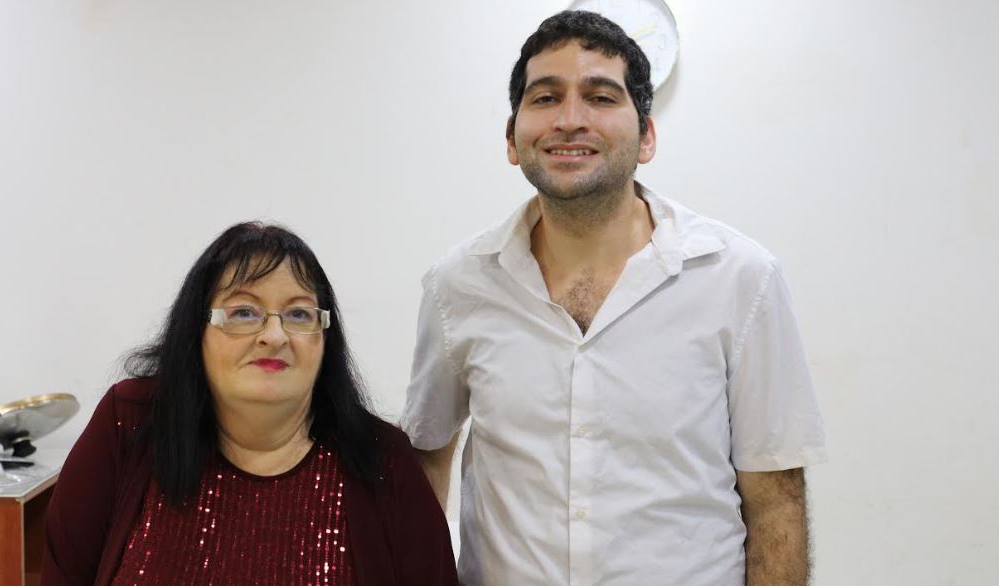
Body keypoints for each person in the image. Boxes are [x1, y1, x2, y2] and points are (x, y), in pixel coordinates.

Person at [401, 10, 827, 586]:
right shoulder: (457, 286)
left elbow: (775, 498)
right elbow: (426, 466)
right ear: (511, 138)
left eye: (600, 98)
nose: (569, 120)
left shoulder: (740, 279)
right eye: (545, 98)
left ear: (646, 136)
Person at [43, 222, 456, 585]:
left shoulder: (383, 461)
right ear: (196, 331)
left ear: (325, 340)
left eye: (299, 315)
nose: (274, 336)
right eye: (243, 312)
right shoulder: (129, 426)